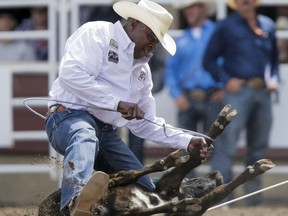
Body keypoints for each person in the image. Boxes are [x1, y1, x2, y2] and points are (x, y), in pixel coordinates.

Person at [44, 0, 211, 215]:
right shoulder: (97, 33)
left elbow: (146, 124)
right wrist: (116, 103)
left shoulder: (142, 71)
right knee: (83, 134)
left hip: (104, 132)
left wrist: (187, 141)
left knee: (145, 190)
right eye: (151, 37)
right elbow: (71, 75)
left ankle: (96, 202)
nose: (152, 46)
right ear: (133, 24)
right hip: (66, 117)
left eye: (156, 42)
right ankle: (75, 204)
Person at [203, 0, 279, 206]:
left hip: (262, 91)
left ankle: (253, 201)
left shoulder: (267, 25)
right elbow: (208, 60)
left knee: (258, 147)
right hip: (238, 92)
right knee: (227, 145)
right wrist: (227, 81)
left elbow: (273, 60)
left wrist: (273, 79)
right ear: (236, 3)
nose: (245, 3)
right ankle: (222, 198)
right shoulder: (226, 26)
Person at [164, 0, 224, 177]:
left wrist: (223, 87)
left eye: (193, 7)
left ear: (203, 9)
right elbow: (171, 71)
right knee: (186, 144)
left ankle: (217, 186)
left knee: (217, 144)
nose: (189, 12)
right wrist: (177, 95)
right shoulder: (182, 39)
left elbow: (228, 62)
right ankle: (186, 186)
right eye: (187, 8)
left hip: (212, 95)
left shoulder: (217, 34)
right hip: (187, 97)